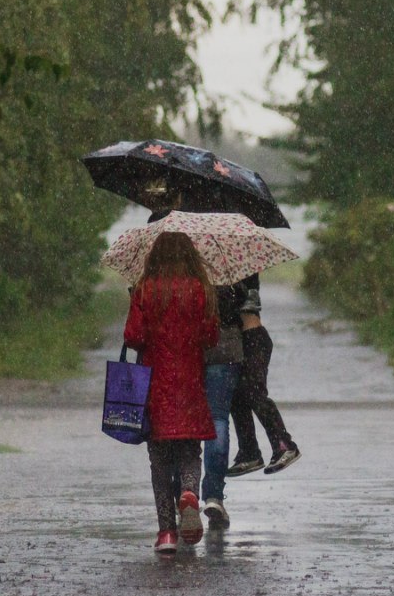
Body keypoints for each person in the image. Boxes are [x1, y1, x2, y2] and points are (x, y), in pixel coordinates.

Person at [123, 232, 219, 554]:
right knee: (190, 450)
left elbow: (133, 337)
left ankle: (166, 533)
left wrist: (136, 305)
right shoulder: (200, 289)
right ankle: (190, 492)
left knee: (160, 460)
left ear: (156, 255)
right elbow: (210, 336)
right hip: (190, 381)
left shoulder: (145, 290)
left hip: (157, 385)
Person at [226, 273, 301, 477]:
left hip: (254, 339)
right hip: (237, 342)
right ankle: (249, 452)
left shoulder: (240, 271)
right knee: (236, 397)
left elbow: (243, 302)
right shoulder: (219, 274)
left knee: (253, 392)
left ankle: (285, 445)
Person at [200, 279, 247, 529]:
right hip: (226, 347)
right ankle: (214, 495)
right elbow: (243, 302)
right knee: (217, 417)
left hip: (188, 349)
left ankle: (182, 492)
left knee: (183, 420)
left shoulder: (178, 265)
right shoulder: (227, 265)